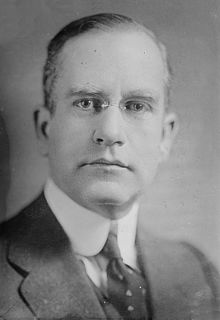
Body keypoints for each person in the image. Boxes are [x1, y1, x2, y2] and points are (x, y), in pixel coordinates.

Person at [0, 13, 219, 320]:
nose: (111, 133)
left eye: (137, 106)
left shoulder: (198, 271)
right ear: (44, 129)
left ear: (165, 137)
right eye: (87, 102)